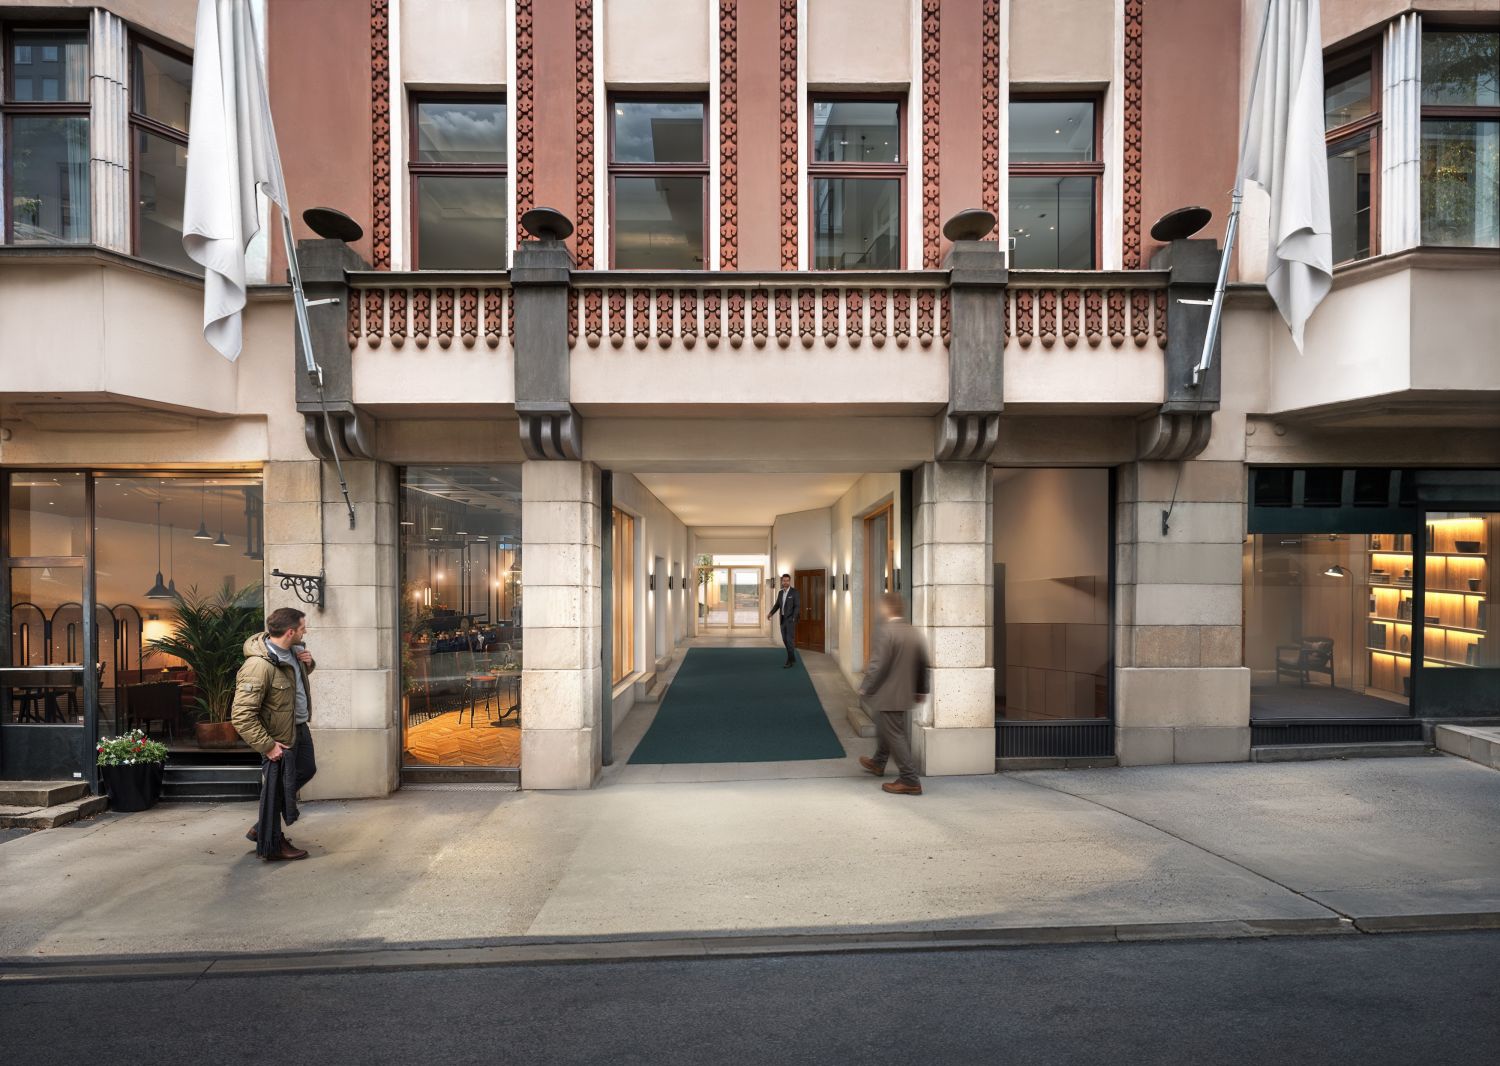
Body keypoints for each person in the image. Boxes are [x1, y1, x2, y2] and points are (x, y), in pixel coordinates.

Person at [230, 606, 317, 861]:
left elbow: (291, 684)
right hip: (279, 738)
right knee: (277, 788)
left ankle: (262, 827)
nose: (305, 632)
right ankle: (273, 844)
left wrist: (309, 664)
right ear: (290, 632)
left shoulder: (294, 652)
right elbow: (242, 715)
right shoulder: (258, 665)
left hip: (299, 728)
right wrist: (267, 746)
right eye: (302, 628)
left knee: (307, 769)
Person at [858, 592, 930, 796]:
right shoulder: (912, 631)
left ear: (887, 608)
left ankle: (910, 779)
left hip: (889, 695)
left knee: (895, 734)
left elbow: (877, 665)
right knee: (886, 728)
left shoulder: (886, 632)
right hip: (904, 693)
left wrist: (866, 686)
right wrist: (920, 689)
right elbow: (922, 663)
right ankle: (878, 762)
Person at [767, 573, 800, 668]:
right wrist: (771, 613)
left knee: (789, 640)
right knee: (785, 640)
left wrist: (793, 617)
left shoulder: (795, 592)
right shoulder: (780, 593)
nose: (785, 582)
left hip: (790, 620)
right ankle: (792, 657)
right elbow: (777, 605)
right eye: (784, 581)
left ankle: (789, 661)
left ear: (789, 581)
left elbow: (797, 606)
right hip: (782, 620)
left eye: (787, 581)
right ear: (782, 581)